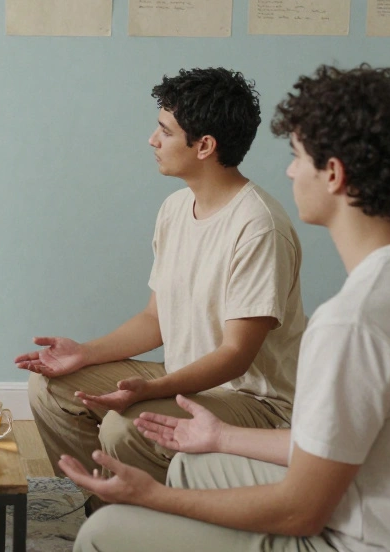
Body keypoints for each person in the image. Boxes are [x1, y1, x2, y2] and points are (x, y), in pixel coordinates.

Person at [67, 64, 390, 552]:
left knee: (103, 533)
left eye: (296, 156)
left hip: (355, 539)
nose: (289, 171)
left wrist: (154, 496)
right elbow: (343, 443)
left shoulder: (353, 322)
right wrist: (222, 436)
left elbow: (300, 512)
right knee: (192, 459)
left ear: (333, 174)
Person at [17, 68, 306, 501]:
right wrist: (84, 353)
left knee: (126, 425)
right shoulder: (175, 208)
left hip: (252, 402)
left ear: (205, 146)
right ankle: (105, 507)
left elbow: (235, 356)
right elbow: (155, 319)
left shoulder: (259, 227)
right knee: (51, 389)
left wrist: (151, 391)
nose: (152, 140)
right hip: (183, 377)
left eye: (164, 131)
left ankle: (150, 513)